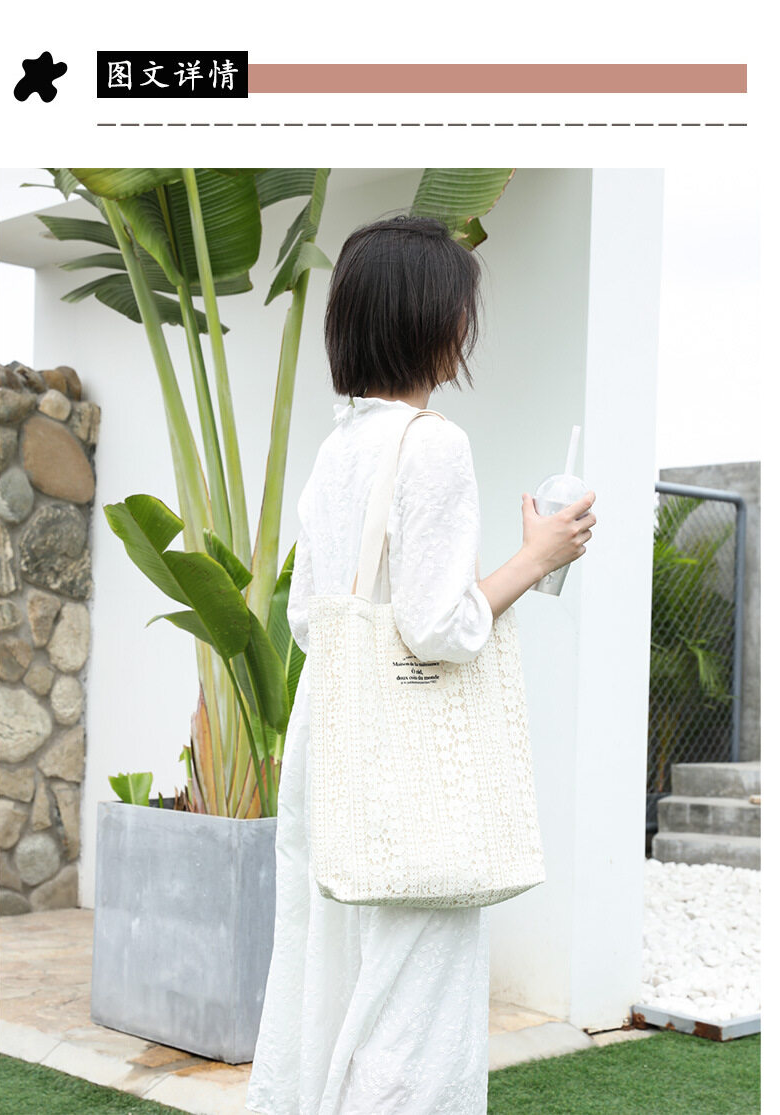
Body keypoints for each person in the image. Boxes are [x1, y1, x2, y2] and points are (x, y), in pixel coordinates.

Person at [244, 215, 596, 1115]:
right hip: (408, 769)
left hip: (333, 744)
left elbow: (308, 615)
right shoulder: (433, 443)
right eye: (459, 312)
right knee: (415, 1003)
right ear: (433, 322)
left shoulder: (339, 447)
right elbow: (439, 625)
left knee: (329, 977)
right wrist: (539, 557)